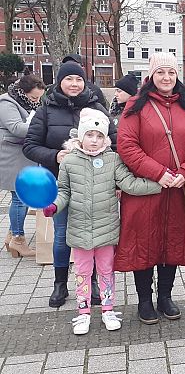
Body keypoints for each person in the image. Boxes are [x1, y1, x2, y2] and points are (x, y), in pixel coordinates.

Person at [42, 108, 162, 335]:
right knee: (83, 271)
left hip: (107, 229)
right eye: (89, 135)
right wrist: (54, 205)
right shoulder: (69, 162)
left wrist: (159, 185)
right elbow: (64, 191)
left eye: (99, 136)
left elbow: (129, 184)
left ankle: (108, 309)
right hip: (79, 230)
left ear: (105, 138)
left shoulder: (113, 159)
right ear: (80, 136)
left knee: (106, 271)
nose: (94, 141)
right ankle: (83, 311)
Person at [114, 52, 185, 324]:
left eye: (171, 73)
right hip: (144, 189)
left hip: (177, 189)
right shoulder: (135, 106)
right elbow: (127, 146)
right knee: (143, 242)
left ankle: (165, 296)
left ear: (177, 76)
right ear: (151, 76)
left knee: (172, 242)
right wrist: (159, 173)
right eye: (160, 73)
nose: (166, 78)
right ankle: (144, 299)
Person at [23, 61, 117, 308]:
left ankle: (93, 281)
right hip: (62, 183)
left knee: (95, 235)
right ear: (59, 81)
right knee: (63, 235)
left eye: (79, 79)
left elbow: (115, 142)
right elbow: (30, 146)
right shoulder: (47, 109)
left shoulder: (97, 106)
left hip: (97, 185)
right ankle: (60, 283)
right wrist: (54, 156)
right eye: (69, 79)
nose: (74, 84)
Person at [0, 74, 46, 257]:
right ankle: (18, 239)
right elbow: (16, 128)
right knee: (20, 198)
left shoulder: (25, 102)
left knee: (22, 197)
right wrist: (43, 126)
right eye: (34, 97)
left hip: (23, 156)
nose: (37, 101)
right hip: (11, 157)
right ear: (23, 91)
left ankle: (11, 236)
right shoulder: (6, 102)